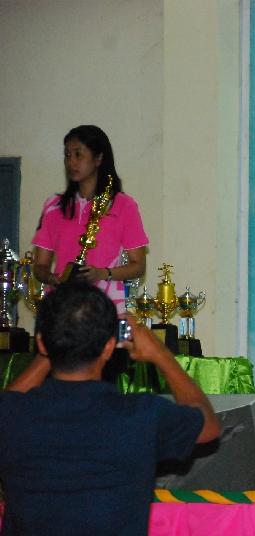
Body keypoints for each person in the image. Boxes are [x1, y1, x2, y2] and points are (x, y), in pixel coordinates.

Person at [0, 283, 220, 535]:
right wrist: (161, 354)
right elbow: (208, 426)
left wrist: (54, 347)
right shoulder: (141, 415)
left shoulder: (11, 414)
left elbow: (10, 399)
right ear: (109, 347)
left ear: (41, 343)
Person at [32, 125, 148, 314]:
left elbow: (138, 266)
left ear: (98, 158)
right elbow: (40, 266)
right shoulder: (53, 206)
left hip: (106, 306)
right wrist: (51, 278)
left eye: (78, 155)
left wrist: (103, 273)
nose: (71, 162)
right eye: (67, 155)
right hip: (62, 307)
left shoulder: (123, 205)